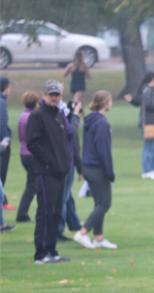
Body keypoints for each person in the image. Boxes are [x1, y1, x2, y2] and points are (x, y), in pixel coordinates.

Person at [26, 80, 71, 264]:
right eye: (51, 94)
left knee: (56, 212)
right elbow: (32, 143)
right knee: (45, 211)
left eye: (57, 94)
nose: (54, 98)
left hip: (60, 173)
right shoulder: (37, 116)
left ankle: (52, 251)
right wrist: (50, 162)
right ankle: (41, 253)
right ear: (44, 95)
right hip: (45, 172)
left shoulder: (59, 115)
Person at [73, 91, 117, 249]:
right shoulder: (101, 124)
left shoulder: (91, 120)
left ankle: (99, 238)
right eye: (110, 100)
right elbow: (103, 151)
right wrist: (110, 172)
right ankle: (83, 232)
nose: (111, 103)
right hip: (97, 168)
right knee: (105, 203)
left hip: (88, 167)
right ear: (105, 103)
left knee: (99, 203)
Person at [57, 99, 83, 240]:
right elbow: (75, 148)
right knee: (63, 197)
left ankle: (73, 223)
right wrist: (76, 115)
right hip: (66, 164)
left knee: (67, 197)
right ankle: (58, 230)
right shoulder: (67, 126)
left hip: (67, 163)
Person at [16, 91, 40, 222]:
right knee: (33, 185)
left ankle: (23, 213)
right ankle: (22, 214)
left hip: (23, 153)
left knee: (32, 183)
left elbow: (21, 136)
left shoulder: (22, 116)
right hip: (32, 155)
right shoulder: (33, 117)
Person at [0, 76, 14, 210]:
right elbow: (2, 123)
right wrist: (5, 141)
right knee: (1, 173)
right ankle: (2, 202)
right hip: (2, 145)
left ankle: (3, 200)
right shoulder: (2, 102)